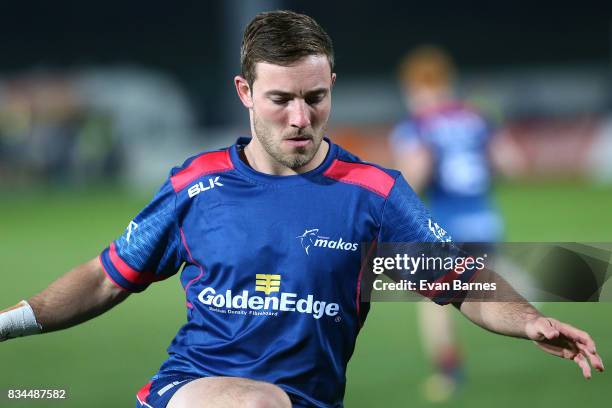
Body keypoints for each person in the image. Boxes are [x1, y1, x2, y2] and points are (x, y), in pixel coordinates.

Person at [0, 11, 603, 408]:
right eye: (280, 99)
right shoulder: (196, 184)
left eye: (315, 98)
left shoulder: (372, 195)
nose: (299, 118)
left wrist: (528, 320)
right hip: (190, 392)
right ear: (245, 94)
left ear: (332, 87)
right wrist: (8, 323)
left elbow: (462, 283)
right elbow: (106, 279)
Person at [389, 46, 518, 401]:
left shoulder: (417, 125)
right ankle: (540, 334)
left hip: (444, 223)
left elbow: (415, 175)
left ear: (414, 86)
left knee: (434, 303)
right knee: (486, 292)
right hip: (485, 220)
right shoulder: (476, 117)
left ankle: (448, 371)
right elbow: (511, 163)